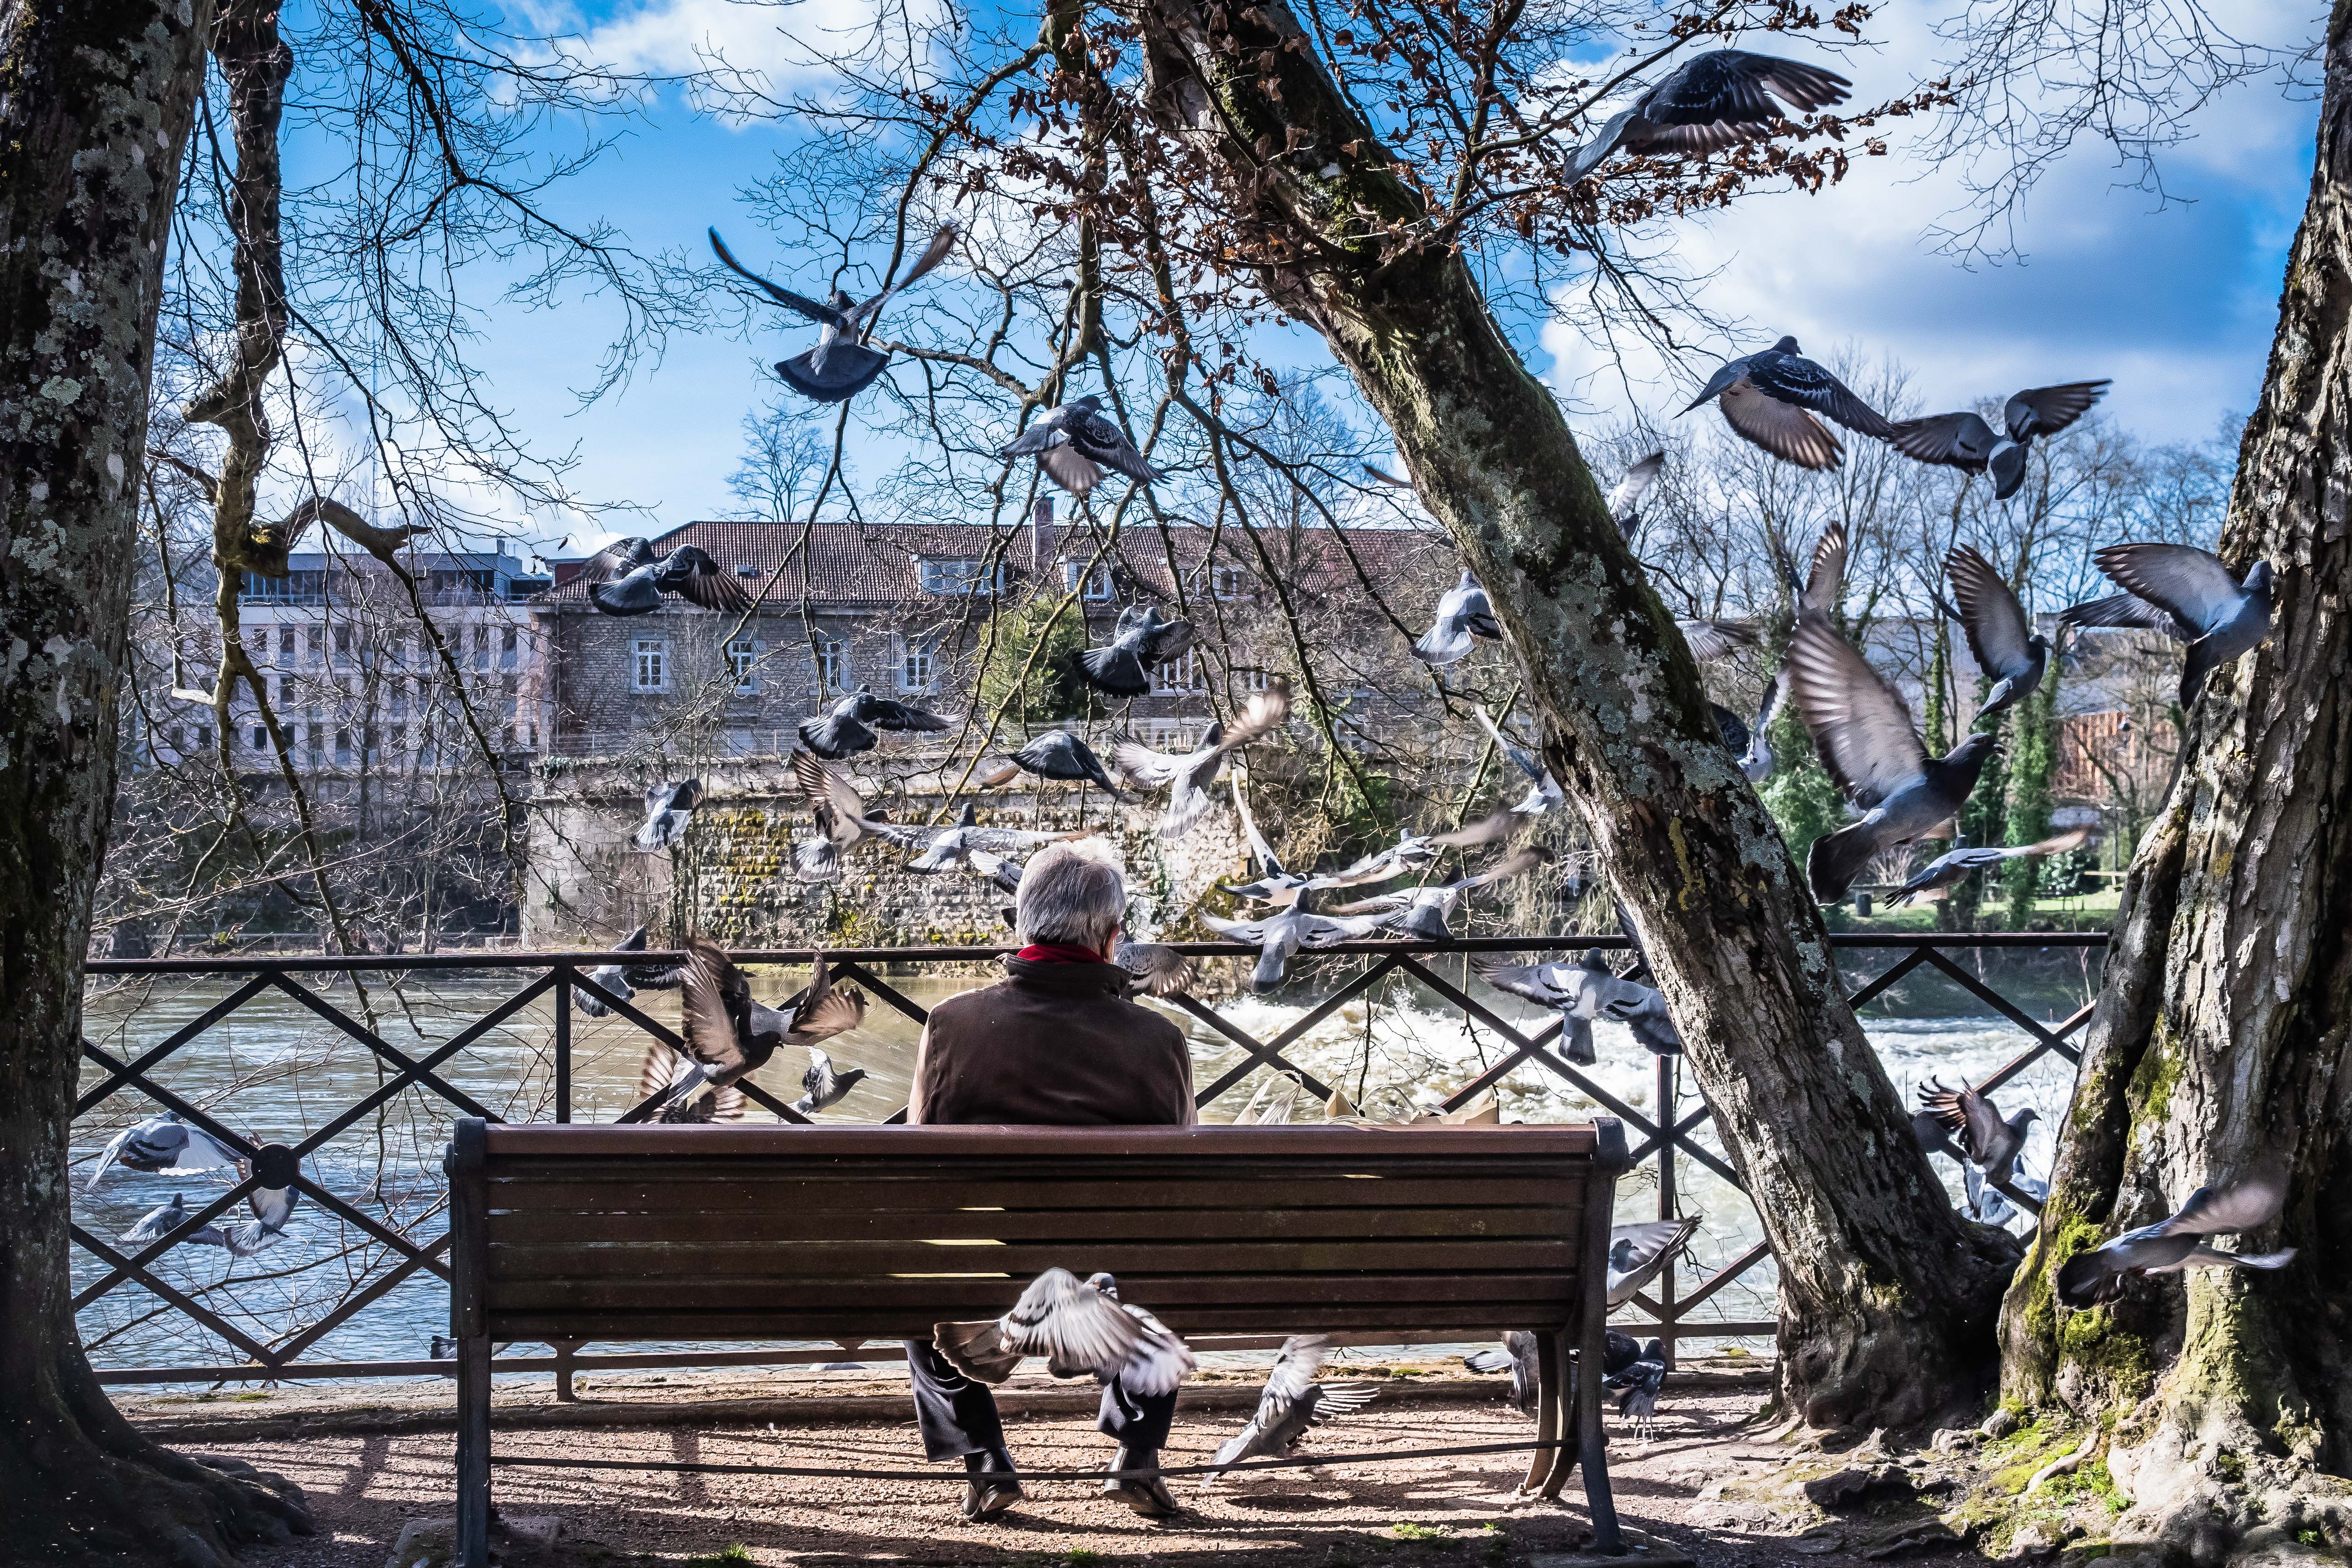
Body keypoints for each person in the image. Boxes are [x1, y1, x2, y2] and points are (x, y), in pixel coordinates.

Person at [904, 839, 1194, 1522]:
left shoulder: (952, 1024)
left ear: (1022, 924)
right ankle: (1137, 1455)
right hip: (1116, 1286)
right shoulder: (1160, 1041)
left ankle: (986, 1460)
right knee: (1163, 1254)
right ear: (1113, 936)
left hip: (989, 1275)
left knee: (919, 1288)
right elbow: (1185, 1177)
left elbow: (922, 1156)